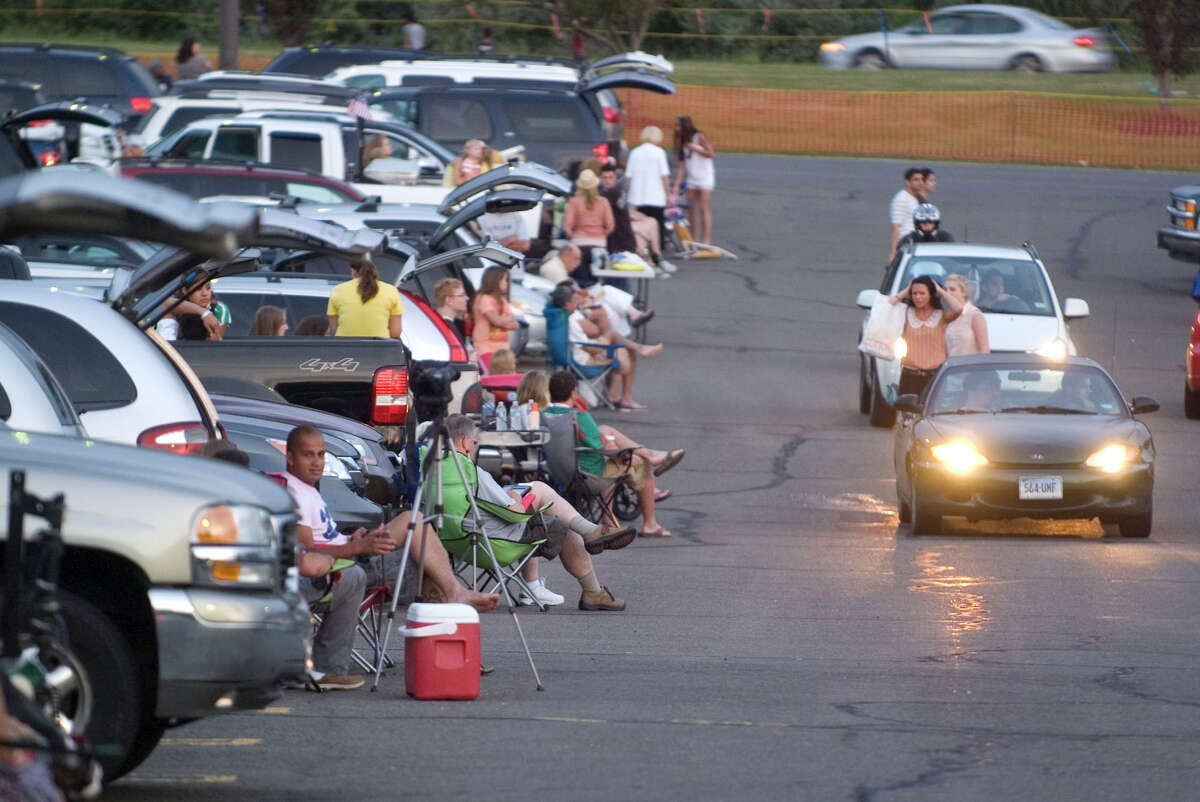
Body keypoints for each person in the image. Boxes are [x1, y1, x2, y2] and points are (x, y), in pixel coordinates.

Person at [285, 426, 499, 690]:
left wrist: (350, 538)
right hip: (343, 567)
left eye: (321, 454)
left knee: (421, 549)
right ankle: (454, 631)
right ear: (290, 457)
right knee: (415, 528)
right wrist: (357, 547)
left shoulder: (307, 489)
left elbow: (323, 538)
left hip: (350, 554)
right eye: (308, 455)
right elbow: (308, 554)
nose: (317, 462)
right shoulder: (291, 494)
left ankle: (451, 639)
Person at [445, 415, 633, 610]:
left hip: (457, 544)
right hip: (494, 543)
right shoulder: (473, 472)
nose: (475, 446)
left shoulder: (434, 471)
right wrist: (516, 496)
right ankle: (592, 584)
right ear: (466, 442)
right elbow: (514, 511)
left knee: (545, 503)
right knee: (554, 512)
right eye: (475, 442)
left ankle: (587, 541)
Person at [545, 371, 682, 538]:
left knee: (606, 431)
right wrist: (627, 457)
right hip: (587, 476)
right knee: (641, 464)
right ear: (573, 392)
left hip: (556, 474)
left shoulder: (543, 416)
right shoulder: (577, 417)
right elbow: (604, 447)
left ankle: (650, 456)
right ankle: (650, 524)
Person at [550, 283, 662, 410]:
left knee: (616, 339)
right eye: (573, 300)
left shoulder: (559, 316)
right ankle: (617, 397)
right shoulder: (572, 320)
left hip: (578, 354)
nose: (576, 302)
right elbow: (590, 348)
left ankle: (638, 350)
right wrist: (607, 347)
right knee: (621, 349)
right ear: (567, 304)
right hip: (585, 361)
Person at [888, 275, 964, 399]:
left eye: (922, 293)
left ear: (931, 295)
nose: (918, 297)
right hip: (909, 375)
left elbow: (958, 309)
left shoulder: (941, 316)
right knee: (907, 413)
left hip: (934, 376)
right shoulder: (906, 313)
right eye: (914, 293)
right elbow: (887, 308)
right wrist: (904, 292)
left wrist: (940, 291)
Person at [627, 126, 673, 267]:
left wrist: (627, 194)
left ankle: (643, 254)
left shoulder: (634, 152)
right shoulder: (659, 153)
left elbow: (628, 177)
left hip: (637, 197)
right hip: (655, 197)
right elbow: (664, 176)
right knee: (655, 229)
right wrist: (668, 194)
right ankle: (656, 255)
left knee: (640, 228)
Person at [327, 256, 403, 338]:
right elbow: (395, 332)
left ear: (353, 270)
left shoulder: (338, 290)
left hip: (346, 347)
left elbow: (333, 329)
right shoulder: (391, 290)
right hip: (379, 348)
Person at [562, 169, 614, 281]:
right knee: (597, 282)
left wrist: (573, 236)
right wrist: (601, 235)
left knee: (581, 281)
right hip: (599, 245)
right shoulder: (603, 201)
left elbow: (567, 228)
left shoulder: (574, 202)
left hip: (579, 245)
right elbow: (610, 226)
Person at [672, 115, 715, 245]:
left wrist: (694, 148)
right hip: (692, 178)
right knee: (691, 209)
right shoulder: (682, 142)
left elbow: (711, 153)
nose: (676, 128)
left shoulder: (699, 136)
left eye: (678, 125)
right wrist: (677, 185)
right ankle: (694, 238)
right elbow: (681, 167)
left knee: (703, 207)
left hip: (705, 177)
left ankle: (706, 239)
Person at [470, 266, 519, 358]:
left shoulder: (502, 300)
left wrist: (502, 321)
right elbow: (496, 321)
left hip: (503, 349)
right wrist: (506, 320)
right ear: (496, 281)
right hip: (485, 347)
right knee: (486, 372)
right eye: (505, 280)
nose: (507, 284)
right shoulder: (483, 298)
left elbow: (515, 325)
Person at [943, 273, 989, 356]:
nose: (948, 293)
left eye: (952, 289)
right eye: (945, 290)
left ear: (963, 292)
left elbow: (984, 349)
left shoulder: (975, 315)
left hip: (970, 367)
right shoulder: (947, 315)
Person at [888, 167, 925, 262]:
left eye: (922, 179)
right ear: (907, 182)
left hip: (916, 243)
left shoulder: (915, 198)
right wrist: (894, 252)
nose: (920, 182)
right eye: (916, 180)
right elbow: (895, 227)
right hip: (906, 246)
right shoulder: (901, 199)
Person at [433, 277, 469, 346]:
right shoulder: (446, 329)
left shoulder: (436, 321)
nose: (467, 298)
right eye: (462, 295)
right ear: (449, 300)